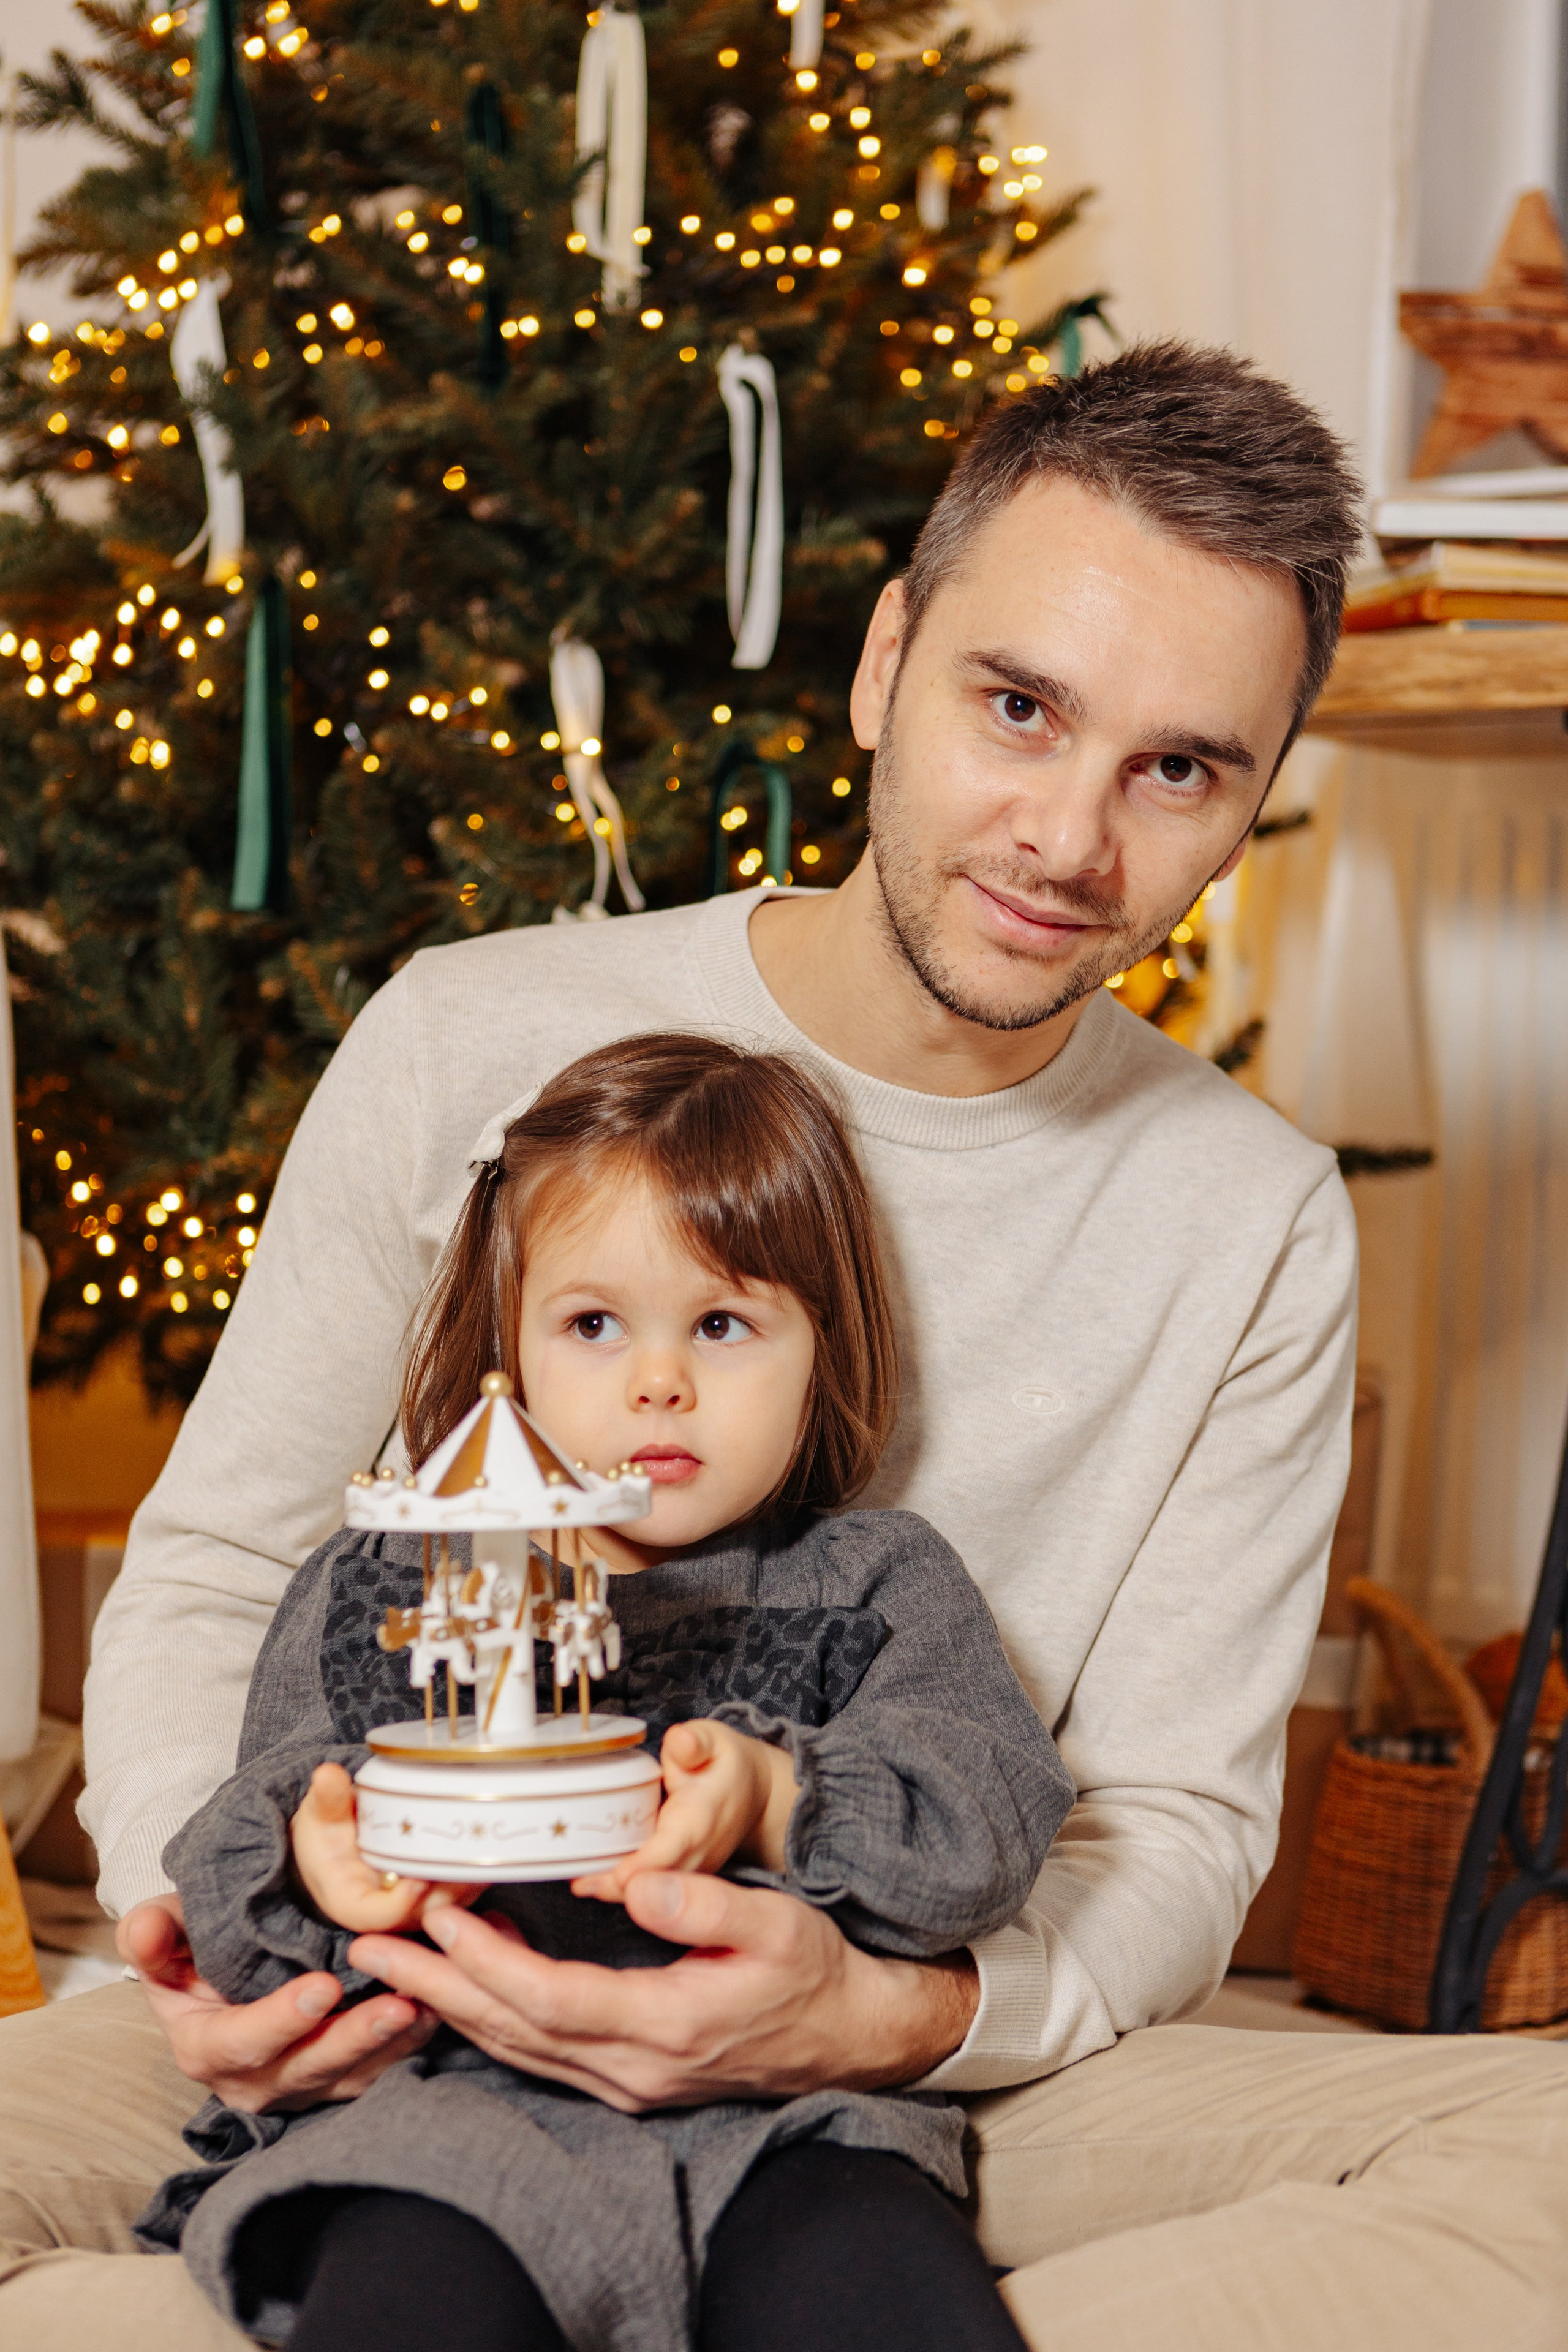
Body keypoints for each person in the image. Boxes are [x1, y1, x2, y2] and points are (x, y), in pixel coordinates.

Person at [3, 342, 1566, 2352]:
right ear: (885, 659)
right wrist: (259, 1951)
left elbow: (1171, 1827)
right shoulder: (471, 1040)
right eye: (1019, 708)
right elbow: (224, 1579)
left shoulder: (1246, 1212)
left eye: (1179, 768)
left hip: (892, 2087)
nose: (1072, 841)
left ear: (1258, 793)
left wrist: (886, 2014)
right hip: (382, 2030)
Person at [139, 1032, 1070, 2351]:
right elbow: (246, 1871)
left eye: (724, 1323)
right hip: (450, 2116)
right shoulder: (375, 1584)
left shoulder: (871, 1582)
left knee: (883, 2294)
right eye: (592, 1324)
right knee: (408, 2295)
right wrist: (326, 1859)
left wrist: (775, 1795)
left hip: (791, 2126)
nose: (659, 1380)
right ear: (503, 1350)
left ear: (823, 1350)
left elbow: (986, 1818)